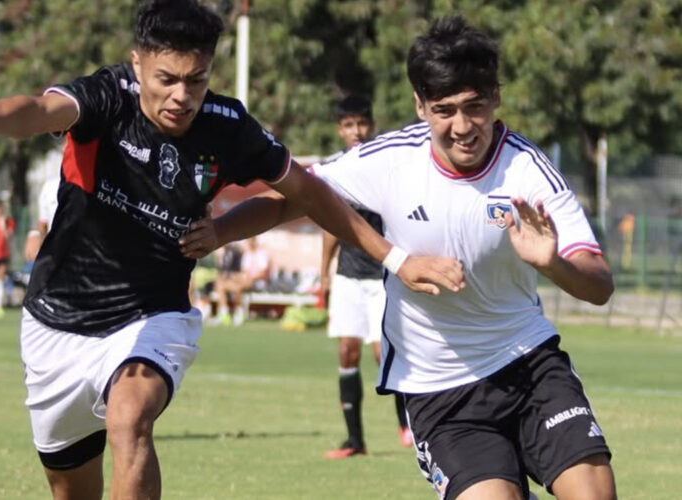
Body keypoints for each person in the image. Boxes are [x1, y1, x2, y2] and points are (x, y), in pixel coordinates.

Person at [0, 2, 462, 498]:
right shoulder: (109, 96)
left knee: (130, 417)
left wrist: (394, 258)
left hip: (152, 317)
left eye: (196, 80)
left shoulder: (228, 127)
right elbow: (39, 110)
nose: (182, 95)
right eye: (167, 79)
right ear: (137, 65)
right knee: (71, 491)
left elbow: (306, 192)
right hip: (56, 324)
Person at [189, 15, 617, 500]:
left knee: (595, 494)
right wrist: (220, 230)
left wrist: (551, 264)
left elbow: (599, 284)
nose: (461, 127)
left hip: (529, 362)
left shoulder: (528, 170)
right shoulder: (389, 160)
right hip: (440, 388)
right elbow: (296, 196)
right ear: (420, 106)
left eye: (475, 107)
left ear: (496, 97)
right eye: (444, 110)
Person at [317, 95, 412, 458]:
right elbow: (329, 225)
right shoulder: (332, 170)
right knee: (347, 350)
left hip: (382, 276)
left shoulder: (383, 166)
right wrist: (323, 273)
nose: (356, 131)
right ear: (339, 130)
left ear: (371, 125)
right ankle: (354, 441)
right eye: (348, 125)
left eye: (362, 123)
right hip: (348, 277)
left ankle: (408, 424)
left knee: (382, 353)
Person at [213, 236, 270, 325]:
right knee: (220, 286)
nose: (249, 243)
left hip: (258, 282)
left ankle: (239, 313)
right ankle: (223, 314)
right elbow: (244, 271)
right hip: (245, 280)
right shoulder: (247, 254)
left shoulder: (261, 254)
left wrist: (248, 278)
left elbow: (262, 273)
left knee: (238, 287)